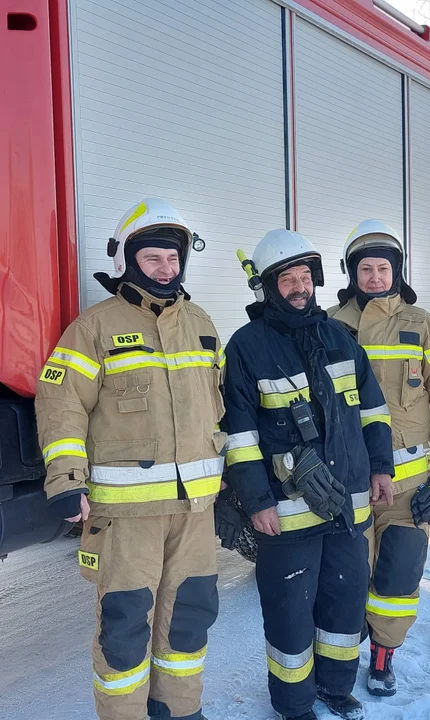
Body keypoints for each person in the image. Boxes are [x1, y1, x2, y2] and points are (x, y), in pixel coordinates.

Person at [35, 198, 226, 720]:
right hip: (126, 515)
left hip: (194, 512)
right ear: (128, 262)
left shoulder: (202, 323)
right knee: (124, 625)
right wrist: (66, 480)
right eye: (153, 260)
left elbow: (220, 409)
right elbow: (61, 403)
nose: (165, 269)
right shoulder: (93, 327)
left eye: (172, 259)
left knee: (188, 617)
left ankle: (180, 710)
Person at [221, 229, 394, 720]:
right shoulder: (246, 347)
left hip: (348, 506)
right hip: (287, 515)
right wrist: (256, 500)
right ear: (268, 287)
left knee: (343, 604)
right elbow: (239, 435)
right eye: (287, 279)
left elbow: (374, 413)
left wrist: (380, 468)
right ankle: (295, 705)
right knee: (290, 615)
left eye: (304, 277)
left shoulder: (340, 338)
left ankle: (336, 688)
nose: (299, 287)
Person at [328, 219, 430, 698]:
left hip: (408, 485)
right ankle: (343, 656)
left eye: (383, 268)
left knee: (398, 574)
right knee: (347, 577)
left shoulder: (421, 324)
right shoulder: (329, 325)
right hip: (346, 481)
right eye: (365, 269)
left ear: (396, 272)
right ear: (352, 274)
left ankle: (384, 656)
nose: (374, 278)